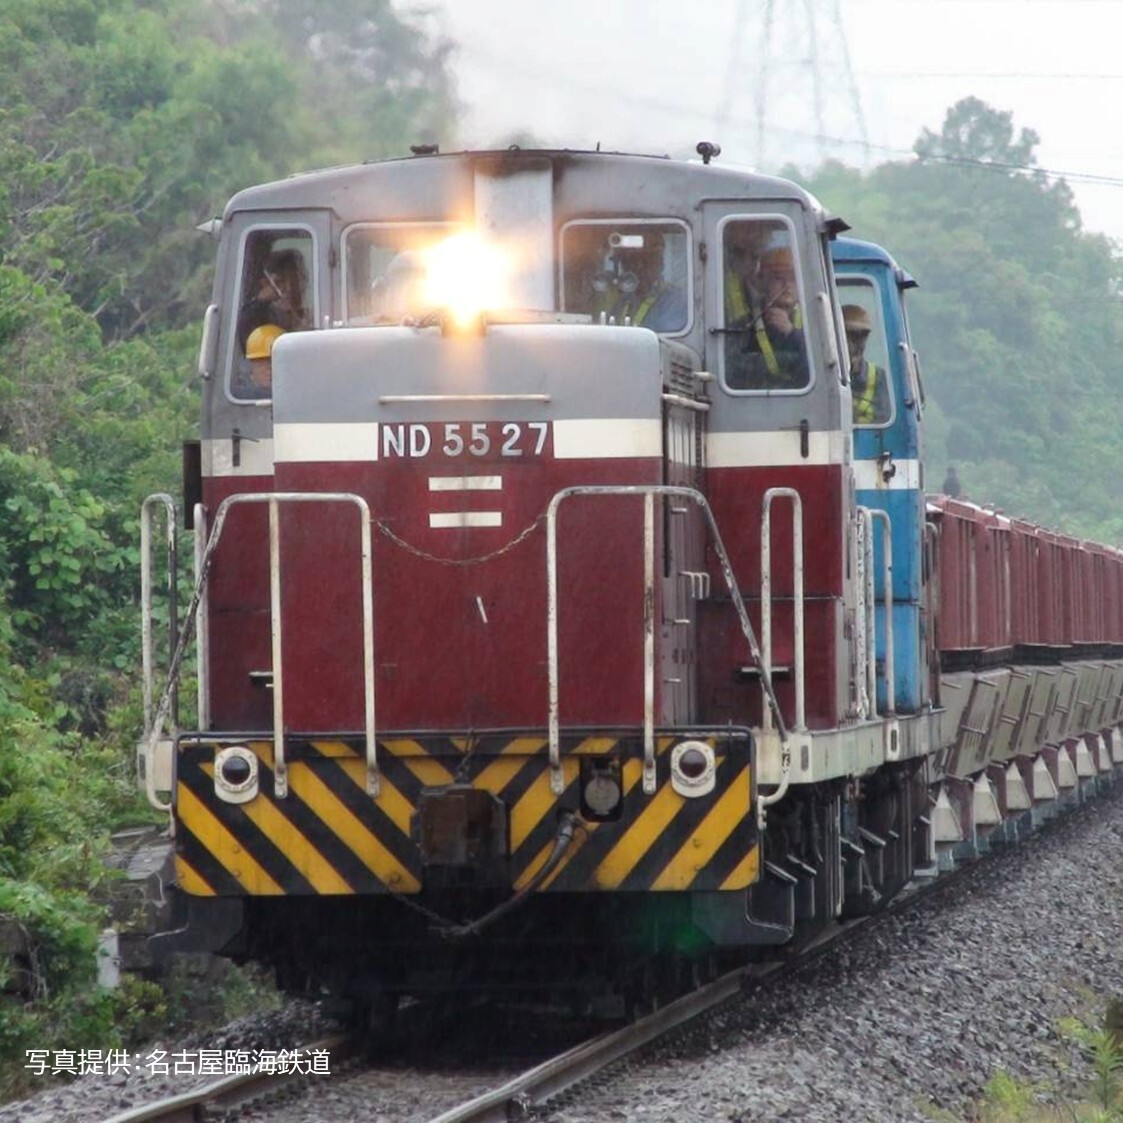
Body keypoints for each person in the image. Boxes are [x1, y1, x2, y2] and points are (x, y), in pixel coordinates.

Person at [724, 243, 808, 388]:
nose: (787, 285)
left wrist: (792, 334)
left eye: (793, 279)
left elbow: (821, 362)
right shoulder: (746, 325)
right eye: (778, 278)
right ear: (762, 282)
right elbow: (733, 368)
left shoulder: (813, 322)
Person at [238, 248, 309, 350]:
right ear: (266, 282)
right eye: (281, 282)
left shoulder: (302, 316)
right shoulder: (255, 314)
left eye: (295, 281)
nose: (289, 288)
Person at [843, 304, 890, 424]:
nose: (857, 343)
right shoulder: (820, 375)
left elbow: (884, 421)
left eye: (862, 336)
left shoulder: (878, 378)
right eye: (851, 335)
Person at [242, 324, 285, 399]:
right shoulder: (240, 400)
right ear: (251, 370)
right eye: (262, 362)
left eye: (276, 362)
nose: (270, 368)